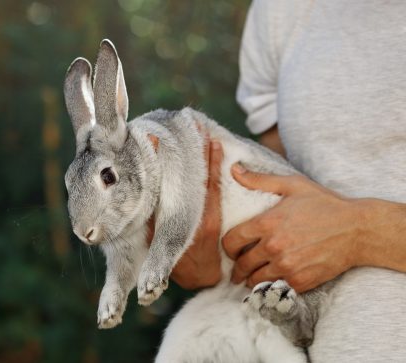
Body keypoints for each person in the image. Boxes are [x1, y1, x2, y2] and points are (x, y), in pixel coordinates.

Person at [171, 0, 406, 361]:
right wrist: (213, 260)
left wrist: (364, 233)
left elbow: (333, 229)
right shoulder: (281, 11)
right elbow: (282, 213)